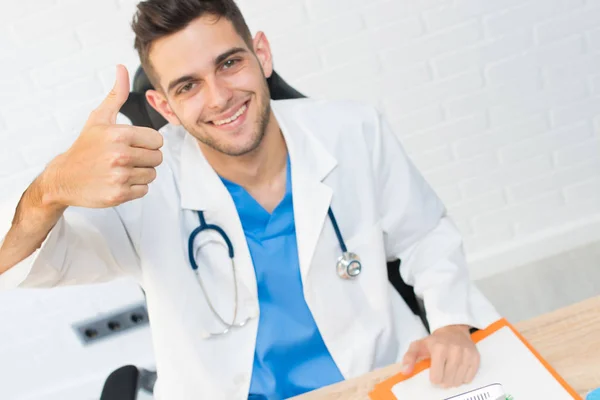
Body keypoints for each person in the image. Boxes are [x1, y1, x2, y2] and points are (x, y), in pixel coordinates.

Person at [0, 0, 501, 398]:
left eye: (229, 63)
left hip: (378, 380)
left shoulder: (352, 131)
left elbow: (424, 234)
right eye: (188, 85)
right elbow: (14, 261)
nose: (219, 97)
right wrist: (52, 190)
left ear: (261, 53)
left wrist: (452, 324)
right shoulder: (142, 186)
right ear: (162, 106)